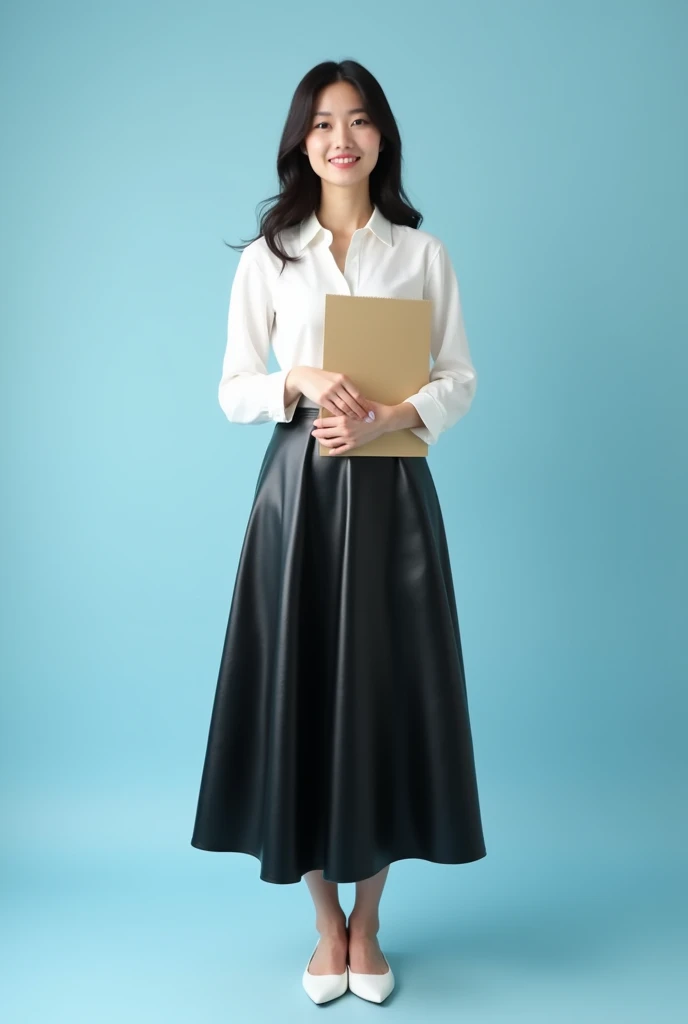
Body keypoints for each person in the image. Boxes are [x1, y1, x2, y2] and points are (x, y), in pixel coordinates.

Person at [190, 58, 487, 1005]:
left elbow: (458, 379)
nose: (342, 138)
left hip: (394, 500)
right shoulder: (270, 256)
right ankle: (323, 923)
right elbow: (235, 387)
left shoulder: (422, 253)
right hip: (302, 503)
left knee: (382, 694)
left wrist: (388, 416)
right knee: (302, 689)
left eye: (358, 122)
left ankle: (370, 920)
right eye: (323, 124)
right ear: (302, 141)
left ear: (382, 138)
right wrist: (301, 381)